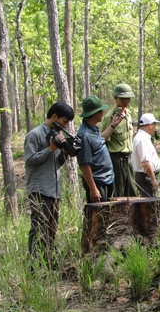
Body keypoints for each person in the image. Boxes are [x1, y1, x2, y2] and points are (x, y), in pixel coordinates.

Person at [24, 102, 75, 264]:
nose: (65, 125)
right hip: (39, 188)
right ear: (54, 117)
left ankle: (48, 261)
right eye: (64, 121)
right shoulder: (35, 135)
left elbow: (56, 164)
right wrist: (50, 149)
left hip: (54, 188)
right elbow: (30, 160)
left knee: (52, 228)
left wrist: (65, 153)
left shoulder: (57, 136)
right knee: (38, 227)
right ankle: (34, 263)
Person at [77, 96, 116, 203]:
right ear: (95, 113)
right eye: (101, 111)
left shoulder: (93, 130)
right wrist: (93, 188)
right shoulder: (84, 136)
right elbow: (84, 164)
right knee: (99, 216)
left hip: (107, 180)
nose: (102, 113)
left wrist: (113, 125)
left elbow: (101, 140)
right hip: (98, 182)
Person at [101, 83, 136, 197]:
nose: (126, 101)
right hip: (116, 159)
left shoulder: (128, 114)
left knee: (132, 193)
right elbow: (103, 139)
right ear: (115, 98)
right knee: (119, 194)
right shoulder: (110, 117)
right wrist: (113, 125)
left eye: (128, 98)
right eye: (122, 98)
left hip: (128, 159)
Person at [131, 113, 160, 197]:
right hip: (146, 177)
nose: (155, 129)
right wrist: (153, 179)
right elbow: (145, 162)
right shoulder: (142, 139)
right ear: (150, 125)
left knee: (150, 204)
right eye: (155, 125)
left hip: (146, 176)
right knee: (150, 205)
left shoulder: (142, 137)